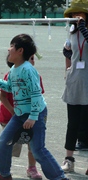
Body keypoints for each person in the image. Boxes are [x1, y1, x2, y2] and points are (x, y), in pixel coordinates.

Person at [0, 33, 69, 180]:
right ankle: (4, 174)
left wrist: (33, 117)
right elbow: (9, 87)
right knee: (3, 141)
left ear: (20, 51)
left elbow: (36, 93)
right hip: (20, 115)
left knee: (38, 150)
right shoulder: (14, 69)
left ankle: (59, 177)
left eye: (12, 46)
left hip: (36, 113)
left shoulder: (28, 69)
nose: (8, 50)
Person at [0, 55, 44, 179]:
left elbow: (37, 97)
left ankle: (32, 168)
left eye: (33, 58)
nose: (32, 61)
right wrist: (13, 112)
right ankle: (2, 168)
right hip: (10, 116)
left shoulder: (35, 76)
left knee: (32, 144)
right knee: (9, 144)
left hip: (29, 116)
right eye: (30, 58)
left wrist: (35, 115)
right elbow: (2, 96)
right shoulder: (10, 75)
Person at [61, 0, 88, 175]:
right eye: (73, 14)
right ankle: (69, 160)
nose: (75, 17)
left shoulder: (85, 31)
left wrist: (84, 28)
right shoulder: (72, 32)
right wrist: (68, 68)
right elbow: (67, 52)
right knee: (72, 123)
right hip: (75, 81)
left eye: (79, 13)